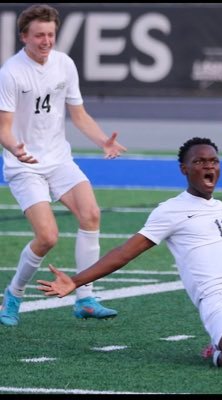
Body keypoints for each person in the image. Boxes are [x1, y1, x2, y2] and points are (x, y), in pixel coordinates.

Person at [37, 136, 222, 370]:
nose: (208, 166)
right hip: (220, 301)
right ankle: (217, 350)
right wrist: (76, 281)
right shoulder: (170, 210)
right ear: (184, 169)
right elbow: (125, 252)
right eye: (199, 161)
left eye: (213, 161)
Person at [0, 4, 127, 327]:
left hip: (59, 160)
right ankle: (13, 294)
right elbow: (4, 127)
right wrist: (16, 147)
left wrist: (104, 142)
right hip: (24, 165)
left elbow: (79, 115)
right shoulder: (11, 72)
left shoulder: (64, 64)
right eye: (39, 35)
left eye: (51, 34)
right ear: (24, 37)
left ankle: (85, 297)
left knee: (91, 214)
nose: (46, 41)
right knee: (47, 237)